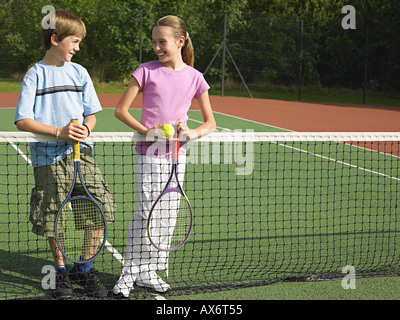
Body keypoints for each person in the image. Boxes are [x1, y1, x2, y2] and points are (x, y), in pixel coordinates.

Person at [14, 9, 115, 298]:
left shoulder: (80, 72)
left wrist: (85, 128)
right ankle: (61, 274)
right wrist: (59, 132)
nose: (78, 47)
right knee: (52, 217)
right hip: (49, 160)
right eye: (74, 41)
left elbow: (92, 115)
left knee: (101, 209)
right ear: (55, 38)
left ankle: (84, 269)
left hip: (84, 156)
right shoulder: (34, 74)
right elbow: (23, 120)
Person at [113, 15, 216, 296]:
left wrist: (190, 133)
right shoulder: (145, 71)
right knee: (146, 213)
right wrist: (147, 132)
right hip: (149, 154)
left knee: (167, 215)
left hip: (177, 155)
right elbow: (121, 111)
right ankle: (129, 273)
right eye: (155, 42)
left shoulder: (196, 78)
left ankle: (150, 271)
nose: (157, 47)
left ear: (180, 42)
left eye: (163, 42)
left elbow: (210, 123)